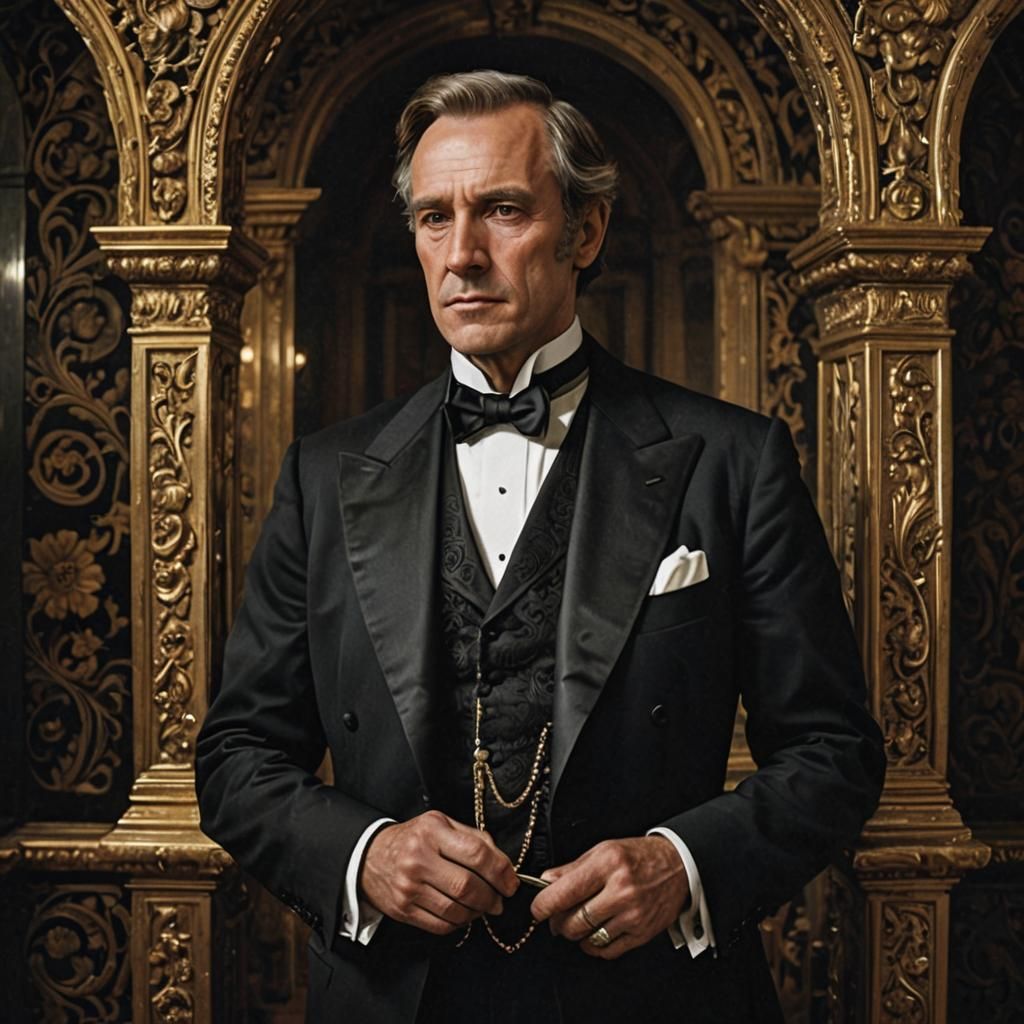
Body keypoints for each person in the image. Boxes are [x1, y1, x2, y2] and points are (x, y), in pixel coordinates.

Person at [196, 70, 885, 1023]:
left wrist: (681, 867)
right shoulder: (326, 474)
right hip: (398, 995)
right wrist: (365, 855)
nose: (462, 255)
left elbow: (832, 751)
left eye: (503, 211)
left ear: (585, 232)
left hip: (652, 997)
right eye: (435, 218)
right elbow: (237, 758)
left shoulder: (734, 460)